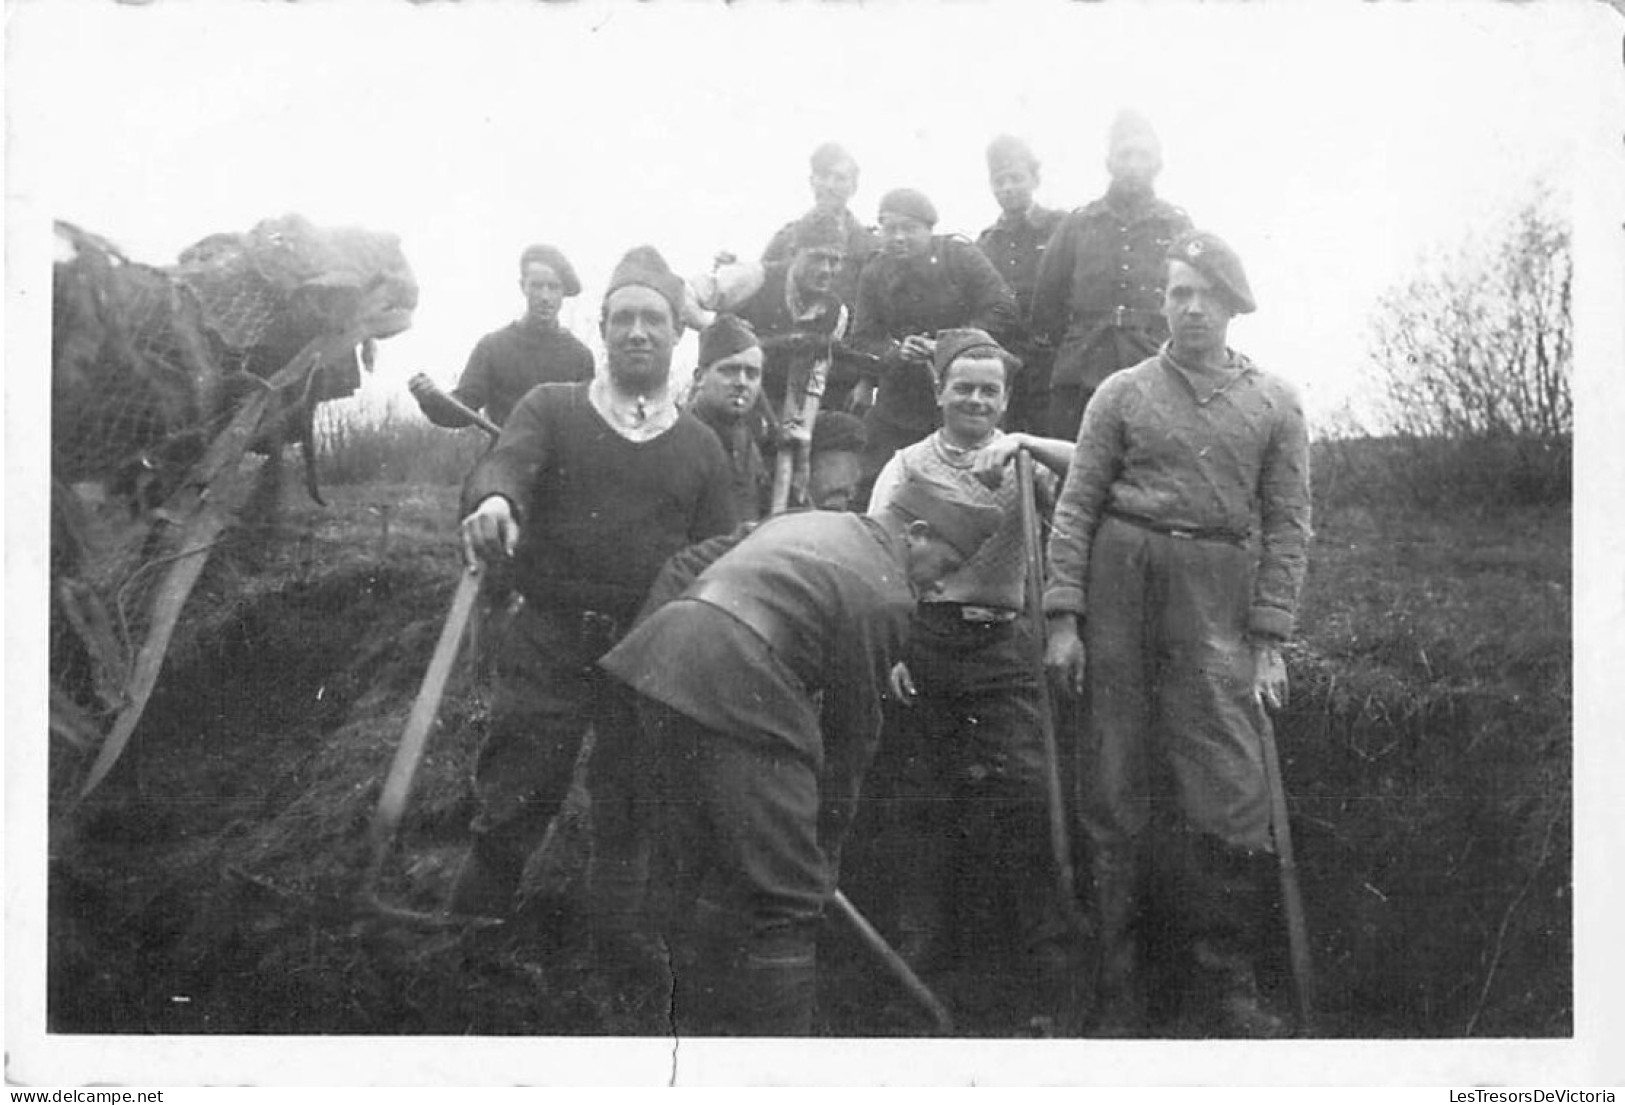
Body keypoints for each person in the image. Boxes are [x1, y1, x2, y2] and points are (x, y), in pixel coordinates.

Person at [599, 471, 1004, 1035]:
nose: (940, 586)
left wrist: (673, 641)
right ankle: (785, 1064)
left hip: (657, 668)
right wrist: (825, 845)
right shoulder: (887, 594)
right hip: (737, 688)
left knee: (716, 865)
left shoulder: (807, 519)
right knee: (789, 897)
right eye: (947, 564)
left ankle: (696, 1027)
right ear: (917, 533)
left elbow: (692, 562)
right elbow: (853, 730)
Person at [1043, 231, 1311, 1037]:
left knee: (1225, 784)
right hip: (1121, 578)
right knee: (1114, 776)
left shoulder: (1275, 400)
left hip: (1215, 591)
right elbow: (1077, 505)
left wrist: (1268, 640)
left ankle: (1223, 982)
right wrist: (1064, 617)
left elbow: (1289, 525)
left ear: (1232, 304)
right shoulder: (1121, 393)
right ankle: (1116, 985)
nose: (1188, 306)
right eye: (1175, 292)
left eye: (1203, 293)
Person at [447, 246, 738, 986]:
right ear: (602, 329)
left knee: (631, 803)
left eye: (655, 319)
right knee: (518, 788)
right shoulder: (551, 406)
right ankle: (466, 943)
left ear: (678, 335)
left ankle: (613, 951)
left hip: (646, 654)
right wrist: (495, 501)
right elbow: (507, 462)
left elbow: (719, 554)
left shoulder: (702, 449)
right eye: (624, 318)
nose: (638, 331)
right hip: (548, 637)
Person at [862, 329, 1078, 1022]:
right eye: (964, 387)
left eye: (989, 389)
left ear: (1005, 397)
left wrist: (1031, 446)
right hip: (925, 639)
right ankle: (916, 963)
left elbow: (1089, 478)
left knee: (1021, 794)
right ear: (939, 392)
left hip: (1003, 644)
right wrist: (890, 648)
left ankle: (1041, 969)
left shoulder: (1023, 458)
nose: (976, 400)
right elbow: (874, 559)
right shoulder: (904, 466)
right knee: (922, 797)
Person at [1029, 111, 1193, 442]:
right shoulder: (1079, 224)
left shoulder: (1176, 226)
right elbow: (1046, 306)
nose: (1133, 164)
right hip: (1081, 372)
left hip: (1153, 367)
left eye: (1143, 155)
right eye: (1125, 155)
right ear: (1109, 163)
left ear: (1157, 164)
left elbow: (1193, 296)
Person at [850, 187, 1019, 502]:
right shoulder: (875, 271)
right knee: (878, 483)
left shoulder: (959, 257)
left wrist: (950, 346)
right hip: (901, 398)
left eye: (909, 228)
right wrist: (895, 351)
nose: (898, 238)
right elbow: (862, 337)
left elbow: (1003, 308)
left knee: (972, 484)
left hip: (965, 392)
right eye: (890, 228)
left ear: (929, 229)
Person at [411, 243, 594, 430]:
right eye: (537, 286)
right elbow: (462, 410)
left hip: (562, 460)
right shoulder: (493, 347)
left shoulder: (580, 357)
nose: (545, 297)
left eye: (553, 287)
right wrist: (431, 399)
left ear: (563, 292)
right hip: (506, 456)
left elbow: (588, 427)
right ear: (523, 287)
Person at [976, 136, 1065, 435]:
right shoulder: (987, 242)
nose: (1007, 188)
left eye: (1016, 178)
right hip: (1005, 362)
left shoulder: (1061, 227)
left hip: (1053, 359)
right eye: (999, 181)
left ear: (1035, 178)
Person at [760, 141, 879, 309]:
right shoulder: (786, 239)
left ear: (853, 187)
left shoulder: (870, 247)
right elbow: (764, 287)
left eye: (840, 178)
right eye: (823, 176)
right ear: (812, 181)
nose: (829, 186)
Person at [686, 315, 769, 523]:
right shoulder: (682, 437)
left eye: (752, 374)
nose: (741, 382)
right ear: (699, 377)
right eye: (729, 370)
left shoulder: (748, 440)